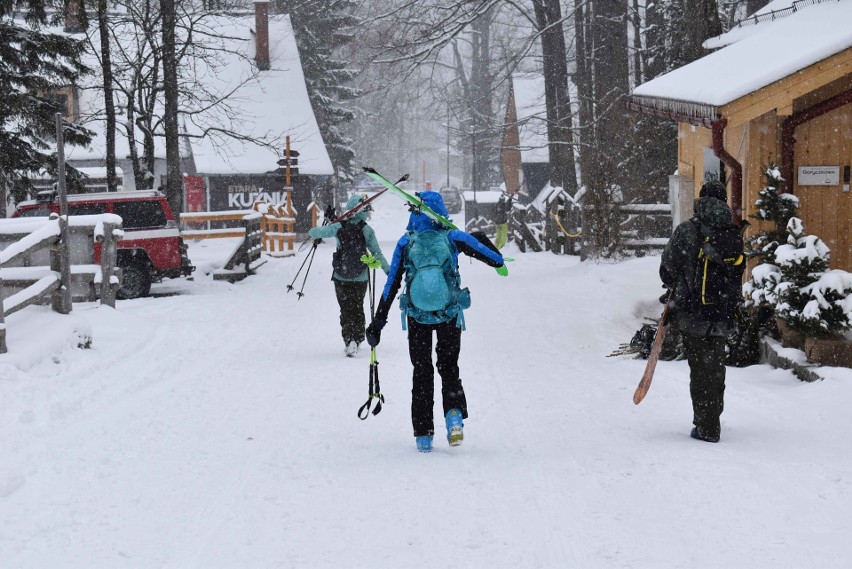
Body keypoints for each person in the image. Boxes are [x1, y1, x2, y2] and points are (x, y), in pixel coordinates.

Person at [365, 191, 506, 453]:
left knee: (422, 370)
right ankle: (453, 418)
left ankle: (423, 434)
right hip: (449, 314)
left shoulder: (406, 242)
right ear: (441, 211)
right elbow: (496, 259)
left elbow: (391, 284)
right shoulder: (452, 237)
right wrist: (478, 239)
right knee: (448, 366)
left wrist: (378, 323)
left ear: (415, 213)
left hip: (417, 317)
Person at [659, 179, 745, 443]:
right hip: (722, 313)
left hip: (693, 313)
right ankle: (712, 416)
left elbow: (667, 269)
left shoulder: (687, 230)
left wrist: (676, 280)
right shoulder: (731, 232)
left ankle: (706, 427)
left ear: (701, 201)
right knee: (716, 369)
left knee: (700, 370)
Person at [308, 194, 389, 357]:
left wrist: (333, 222)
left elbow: (314, 232)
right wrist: (390, 273)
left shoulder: (339, 227)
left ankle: (349, 339)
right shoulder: (366, 229)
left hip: (341, 276)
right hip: (361, 276)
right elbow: (377, 253)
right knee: (357, 306)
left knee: (345, 308)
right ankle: (358, 338)